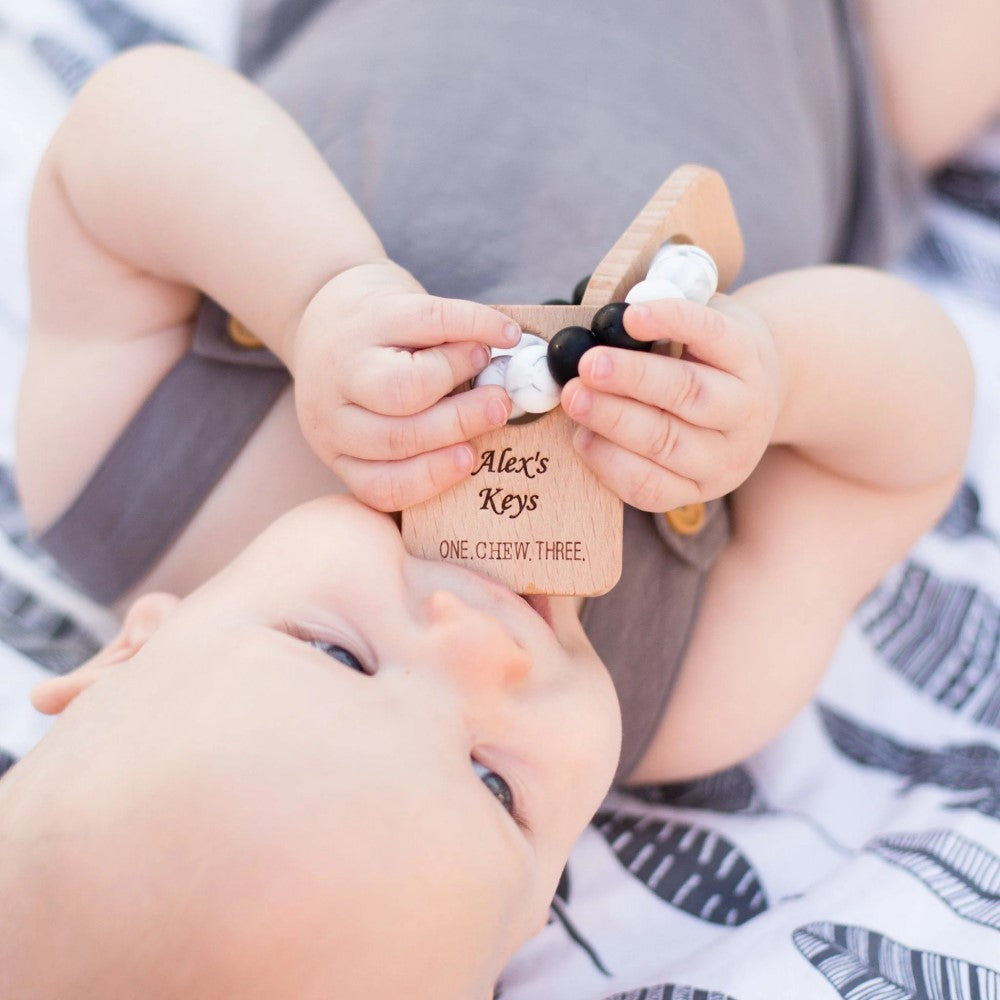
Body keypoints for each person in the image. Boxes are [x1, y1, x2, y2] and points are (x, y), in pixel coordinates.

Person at [1, 7, 987, 995]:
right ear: (533, 914)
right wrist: (774, 373)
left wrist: (314, 295)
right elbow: (906, 442)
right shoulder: (694, 682)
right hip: (828, 56)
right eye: (492, 782)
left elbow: (124, 129)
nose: (487, 650)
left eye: (340, 655)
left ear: (130, 653)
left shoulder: (119, 474)